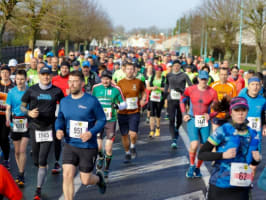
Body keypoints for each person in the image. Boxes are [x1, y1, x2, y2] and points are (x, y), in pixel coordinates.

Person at [55, 70, 107, 200]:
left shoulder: (92, 101)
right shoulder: (64, 101)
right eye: (70, 81)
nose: (71, 84)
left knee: (85, 180)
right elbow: (60, 118)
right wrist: (58, 129)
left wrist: (91, 132)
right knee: (67, 175)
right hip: (70, 144)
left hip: (87, 146)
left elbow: (102, 119)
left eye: (75, 81)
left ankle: (98, 179)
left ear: (82, 83)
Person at [198, 97, 261, 200]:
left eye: (243, 110)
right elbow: (202, 154)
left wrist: (257, 160)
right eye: (237, 110)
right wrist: (222, 155)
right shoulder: (223, 130)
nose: (240, 113)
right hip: (220, 185)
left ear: (247, 111)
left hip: (241, 187)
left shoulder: (252, 133)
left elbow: (253, 160)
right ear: (231, 112)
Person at [20, 66, 64, 200]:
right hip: (34, 128)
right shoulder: (32, 89)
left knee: (42, 160)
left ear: (51, 76)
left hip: (49, 128)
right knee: (36, 160)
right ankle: (41, 168)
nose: (46, 77)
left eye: (48, 74)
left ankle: (38, 189)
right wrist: (29, 112)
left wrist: (61, 122)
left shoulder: (57, 91)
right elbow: (22, 106)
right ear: (39, 75)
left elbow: (64, 106)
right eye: (43, 74)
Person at [180, 70, 218, 178]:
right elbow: (182, 99)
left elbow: (217, 109)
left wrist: (210, 116)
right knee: (194, 144)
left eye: (205, 79)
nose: (203, 81)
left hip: (204, 121)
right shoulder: (190, 89)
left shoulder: (212, 92)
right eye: (201, 79)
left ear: (208, 79)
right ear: (198, 79)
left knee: (204, 148)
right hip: (192, 119)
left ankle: (198, 168)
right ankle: (192, 165)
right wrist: (184, 113)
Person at [92, 70, 126, 179]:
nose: (105, 81)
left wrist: (117, 106)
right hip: (98, 120)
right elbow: (92, 101)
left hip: (111, 120)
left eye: (107, 79)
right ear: (100, 79)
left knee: (109, 148)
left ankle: (106, 169)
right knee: (98, 146)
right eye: (103, 79)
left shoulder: (116, 89)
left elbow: (124, 104)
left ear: (110, 79)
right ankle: (100, 157)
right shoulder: (96, 88)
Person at [117, 62, 146, 163]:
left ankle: (133, 145)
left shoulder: (138, 82)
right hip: (122, 112)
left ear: (134, 70)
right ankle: (127, 153)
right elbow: (116, 95)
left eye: (131, 69)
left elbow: (143, 91)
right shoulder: (120, 83)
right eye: (127, 69)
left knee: (133, 134)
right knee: (124, 135)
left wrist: (143, 99)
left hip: (134, 111)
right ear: (125, 70)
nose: (129, 71)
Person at [5, 70, 28, 186]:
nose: (19, 81)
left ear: (26, 79)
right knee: (17, 151)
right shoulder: (11, 92)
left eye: (22, 79)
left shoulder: (30, 91)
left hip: (27, 121)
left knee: (23, 150)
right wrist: (7, 119)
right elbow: (8, 108)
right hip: (15, 122)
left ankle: (21, 174)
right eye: (18, 79)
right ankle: (20, 172)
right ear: (15, 80)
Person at [164, 60, 192, 149]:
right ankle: (174, 140)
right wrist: (166, 93)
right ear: (172, 67)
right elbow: (166, 84)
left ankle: (176, 129)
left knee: (180, 120)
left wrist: (183, 91)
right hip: (171, 100)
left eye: (178, 65)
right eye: (175, 65)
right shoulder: (169, 75)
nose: (176, 67)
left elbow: (190, 86)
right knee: (171, 119)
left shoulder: (184, 75)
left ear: (180, 67)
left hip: (181, 100)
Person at [0, 66, 15, 169]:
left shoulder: (13, 87)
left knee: (4, 138)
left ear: (9, 73)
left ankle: (6, 159)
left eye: (6, 72)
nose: (4, 74)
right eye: (2, 72)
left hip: (7, 116)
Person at [146, 66, 165, 137]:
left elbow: (166, 89)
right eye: (157, 72)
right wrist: (152, 88)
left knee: (158, 114)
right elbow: (147, 87)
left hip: (160, 98)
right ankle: (151, 130)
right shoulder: (151, 77)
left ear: (161, 72)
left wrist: (159, 88)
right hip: (152, 98)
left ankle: (157, 128)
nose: (158, 73)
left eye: (159, 72)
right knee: (152, 114)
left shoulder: (163, 78)